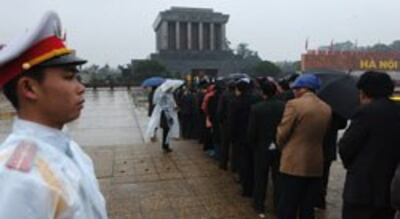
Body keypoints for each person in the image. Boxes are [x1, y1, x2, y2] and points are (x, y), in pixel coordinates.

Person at [0, 12, 108, 218]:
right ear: (29, 88)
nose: (81, 87)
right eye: (69, 77)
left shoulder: (71, 150)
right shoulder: (18, 179)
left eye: (78, 77)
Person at [339, 71, 400, 219]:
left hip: (362, 191)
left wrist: (353, 165)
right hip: (389, 190)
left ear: (364, 92)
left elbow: (346, 146)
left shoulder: (365, 112)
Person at [276, 74, 331, 219]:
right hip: (315, 162)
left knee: (288, 204)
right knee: (307, 207)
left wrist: (284, 148)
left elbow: (282, 133)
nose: (294, 91)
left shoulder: (294, 104)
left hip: (293, 162)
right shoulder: (326, 108)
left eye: (296, 88)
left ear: (303, 89)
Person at [248, 80, 285, 217]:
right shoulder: (284, 106)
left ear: (263, 93)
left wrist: (252, 144)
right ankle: (278, 205)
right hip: (279, 145)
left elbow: (252, 130)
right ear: (275, 91)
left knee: (260, 177)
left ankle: (259, 205)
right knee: (278, 178)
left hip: (261, 147)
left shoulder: (256, 108)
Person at [145, 79, 183, 153]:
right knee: (166, 130)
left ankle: (166, 144)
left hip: (169, 115)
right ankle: (165, 145)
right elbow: (160, 104)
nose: (172, 88)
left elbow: (172, 104)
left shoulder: (170, 94)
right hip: (165, 115)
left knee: (168, 130)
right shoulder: (163, 94)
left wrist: (175, 107)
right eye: (170, 87)